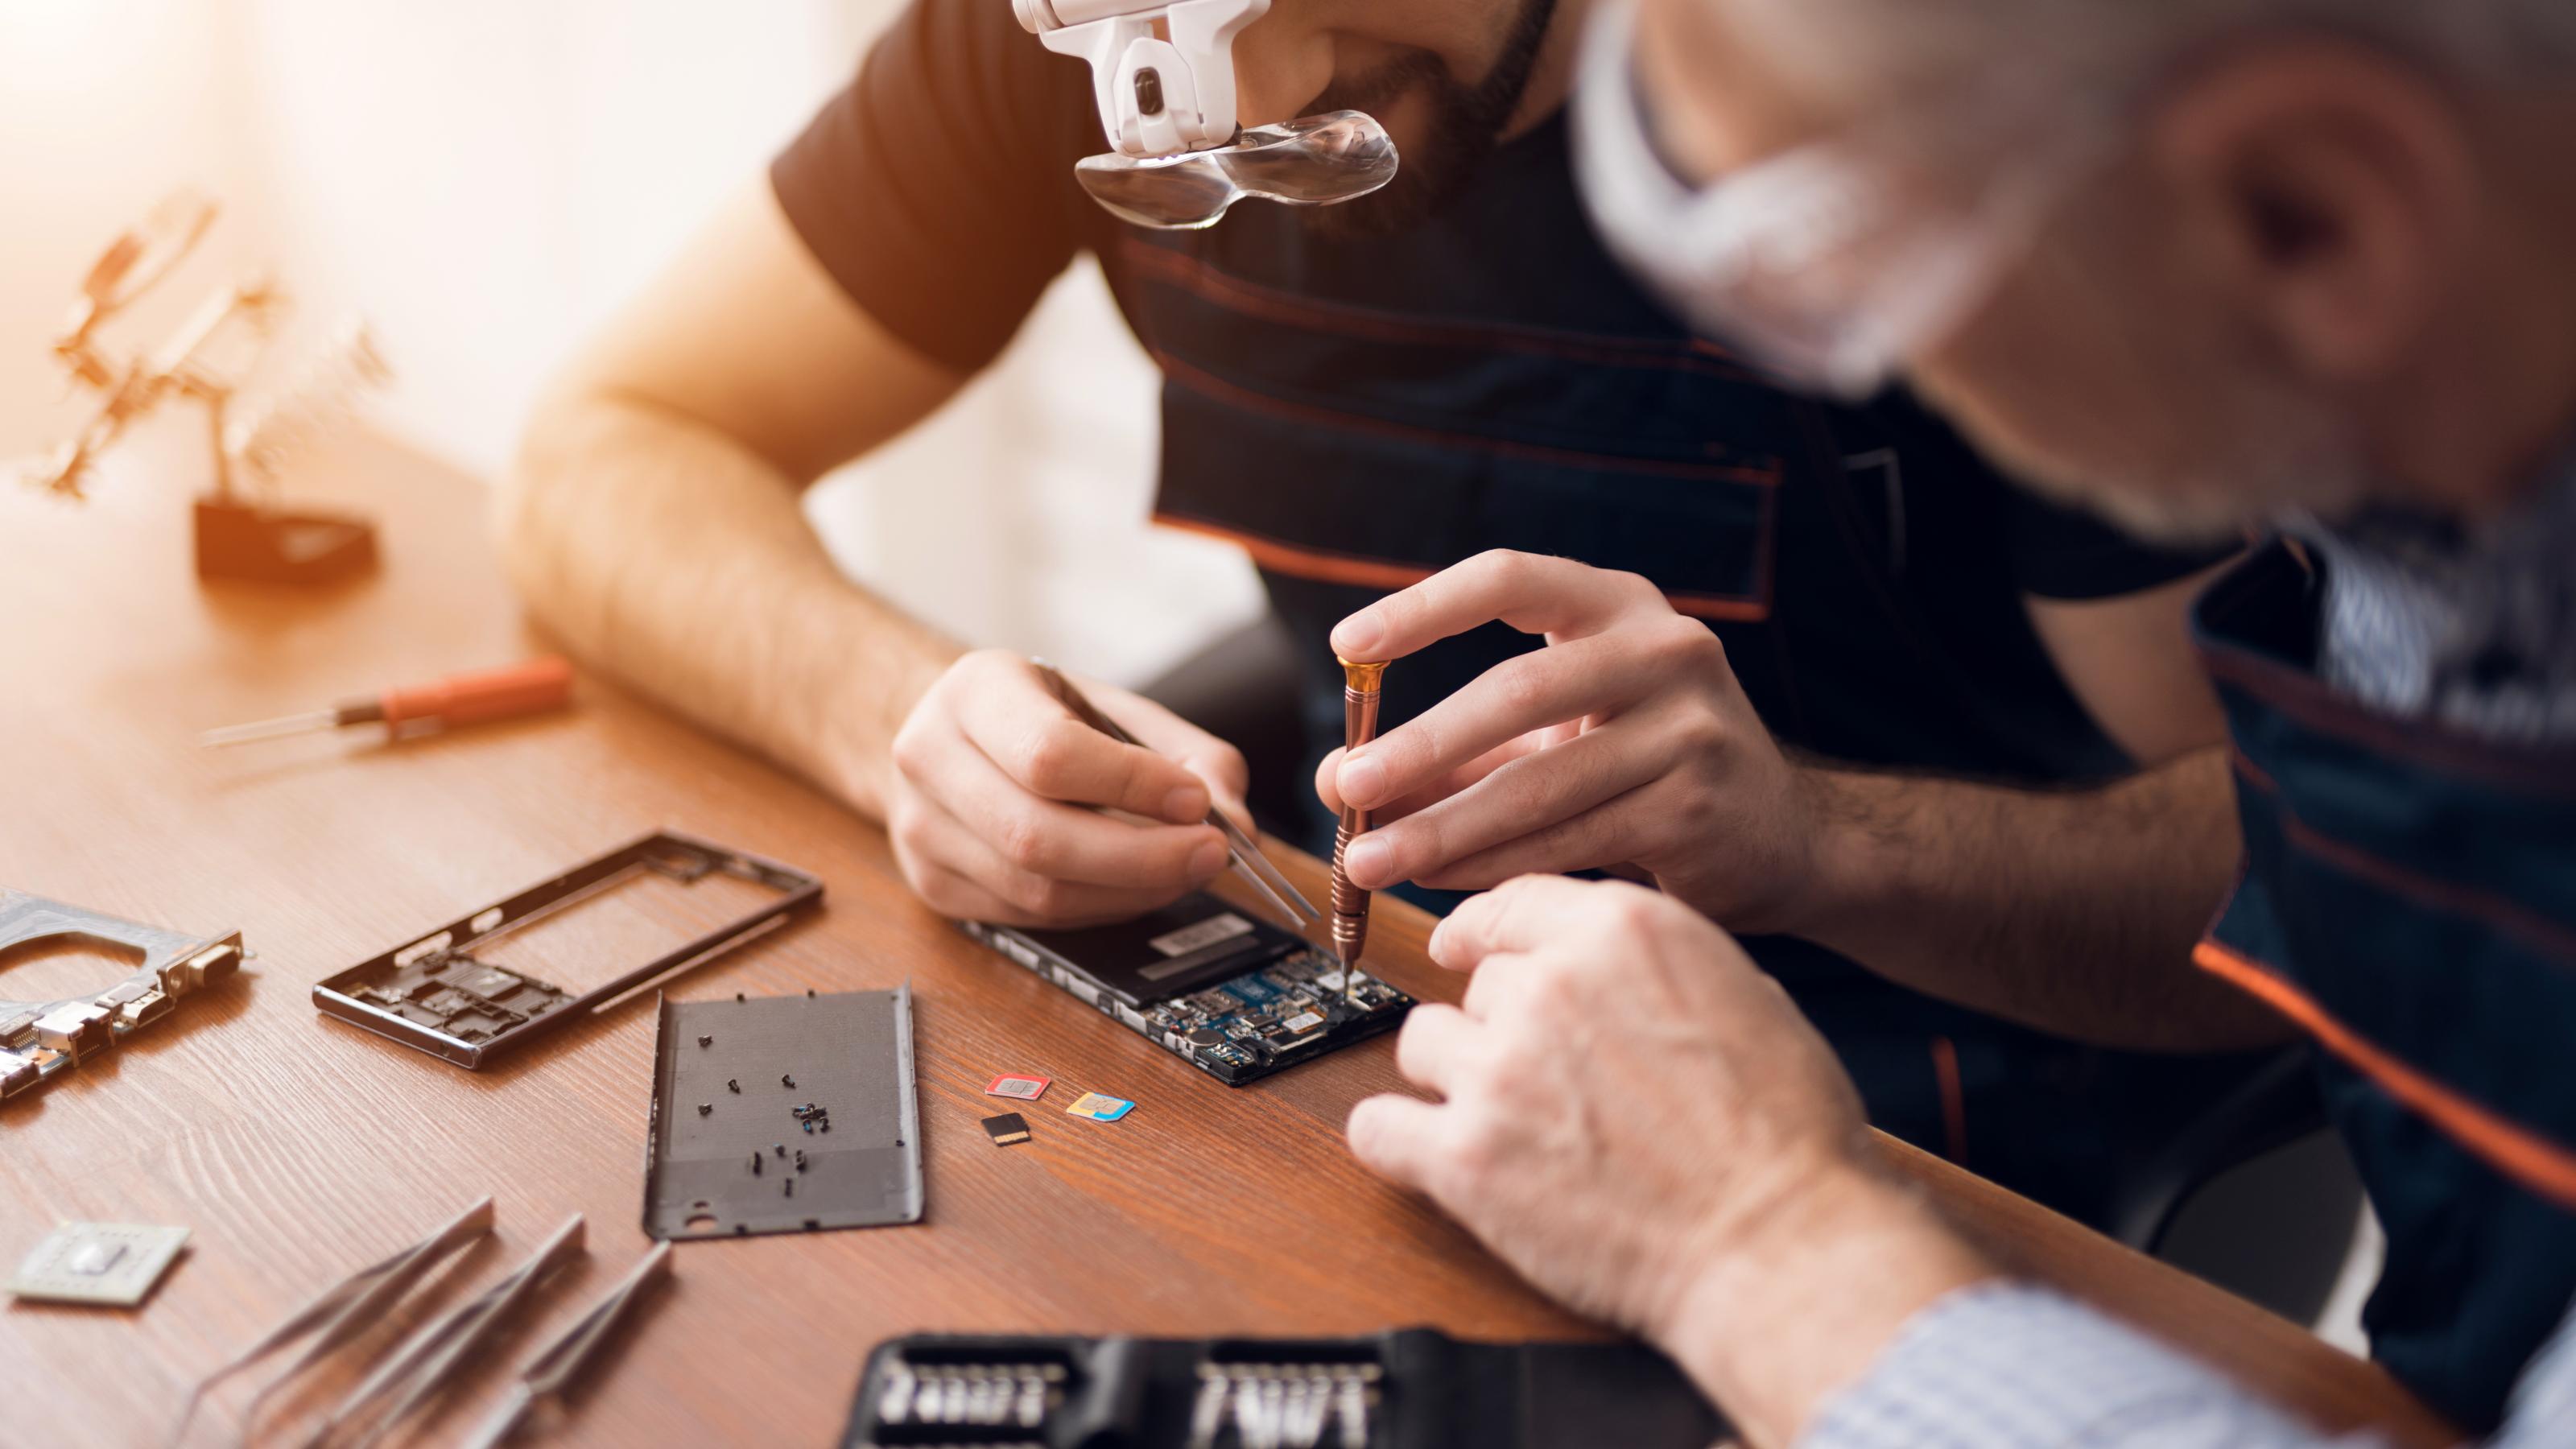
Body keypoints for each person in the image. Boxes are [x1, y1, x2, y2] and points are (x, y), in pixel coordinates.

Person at [502, 0, 2276, 1228]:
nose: (1258, 96)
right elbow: (606, 455)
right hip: (1395, 1082)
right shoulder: (1088, 47)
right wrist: (906, 719)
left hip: (1925, 1162)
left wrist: (1815, 840)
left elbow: (2328, 890)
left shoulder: (1917, 104)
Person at [1342, 0, 2576, 1441]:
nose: (1876, 379)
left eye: (1844, 271)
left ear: (2314, 212)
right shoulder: (2438, 507)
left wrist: (1760, 1246)